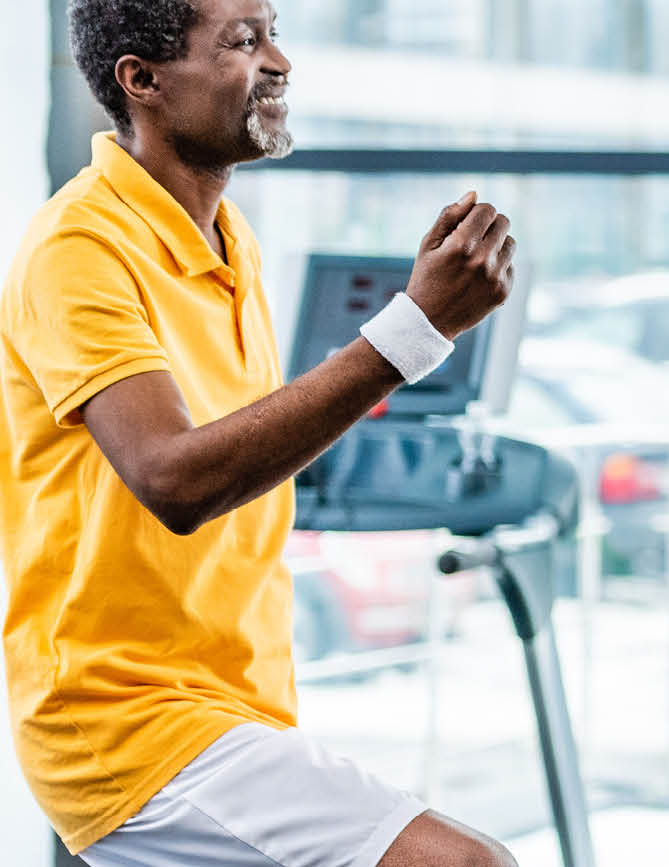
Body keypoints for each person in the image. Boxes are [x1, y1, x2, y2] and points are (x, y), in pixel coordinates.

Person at [1, 1, 525, 864]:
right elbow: (174, 478)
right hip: (128, 724)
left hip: (239, 705)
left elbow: (243, 448)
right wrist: (412, 332)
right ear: (143, 82)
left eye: (274, 31)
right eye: (244, 42)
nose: (280, 62)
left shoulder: (227, 238)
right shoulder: (77, 247)